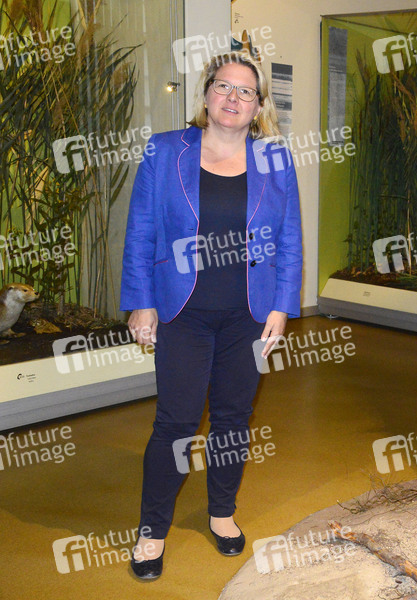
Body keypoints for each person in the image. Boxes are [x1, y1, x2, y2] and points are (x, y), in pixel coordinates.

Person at [120, 51, 302, 580]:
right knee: (176, 422)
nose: (233, 98)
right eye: (223, 86)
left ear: (258, 106)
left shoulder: (274, 158)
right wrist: (141, 302)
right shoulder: (165, 150)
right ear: (205, 94)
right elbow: (141, 232)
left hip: (249, 314)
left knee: (231, 419)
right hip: (183, 312)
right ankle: (152, 529)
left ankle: (221, 511)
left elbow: (289, 236)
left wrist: (282, 307)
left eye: (246, 91)